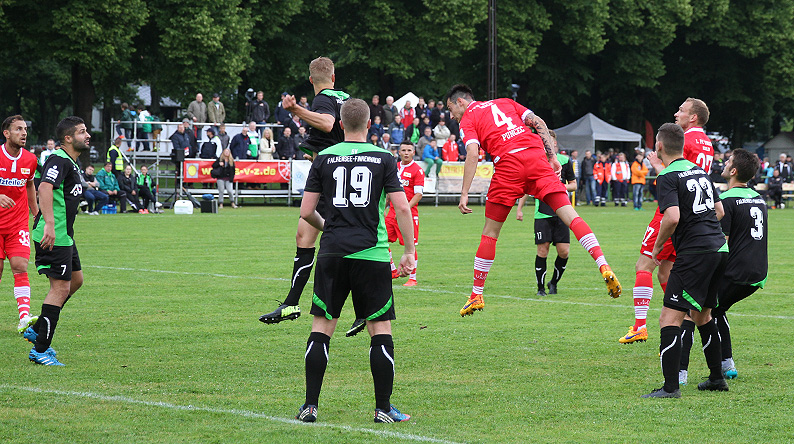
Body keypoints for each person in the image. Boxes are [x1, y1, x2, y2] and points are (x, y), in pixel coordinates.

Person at [446, 84, 621, 317]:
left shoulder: (467, 119)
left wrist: (464, 192)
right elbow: (538, 122)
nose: (451, 116)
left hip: (508, 166)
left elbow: (472, 153)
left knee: (490, 233)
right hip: (536, 157)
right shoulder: (505, 102)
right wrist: (552, 156)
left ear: (461, 101)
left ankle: (476, 294)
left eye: (451, 109)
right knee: (571, 216)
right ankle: (603, 264)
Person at [294, 97, 414, 424]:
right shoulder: (384, 158)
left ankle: (310, 406)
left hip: (332, 252)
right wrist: (409, 251)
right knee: (380, 329)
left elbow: (306, 211)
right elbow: (402, 207)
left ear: (340, 124)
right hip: (371, 254)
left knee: (322, 328)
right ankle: (383, 408)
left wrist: (329, 228)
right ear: (370, 124)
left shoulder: (324, 158)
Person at [259, 56, 351, 326]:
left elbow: (327, 123)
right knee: (306, 234)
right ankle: (291, 303)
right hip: (341, 173)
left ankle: (365, 306)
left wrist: (297, 109)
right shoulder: (345, 98)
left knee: (334, 238)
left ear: (311, 80)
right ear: (333, 77)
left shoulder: (323, 98)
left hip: (329, 178)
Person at [641, 123, 728, 398]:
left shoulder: (667, 175)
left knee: (669, 318)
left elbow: (672, 217)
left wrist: (657, 248)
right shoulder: (700, 170)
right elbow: (719, 211)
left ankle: (670, 388)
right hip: (719, 248)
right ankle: (716, 378)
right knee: (703, 315)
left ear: (659, 146)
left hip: (695, 253)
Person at [619, 98, 715, 344]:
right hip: (695, 214)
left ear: (693, 117)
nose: (676, 114)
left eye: (681, 110)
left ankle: (640, 326)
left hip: (673, 211)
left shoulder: (686, 140)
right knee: (666, 272)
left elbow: (678, 177)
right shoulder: (707, 143)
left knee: (644, 264)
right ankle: (683, 320)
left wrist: (656, 165)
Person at [677, 148, 767, 384]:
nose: (724, 163)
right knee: (717, 309)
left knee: (692, 311)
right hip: (757, 272)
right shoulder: (759, 198)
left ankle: (680, 374)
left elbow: (721, 242)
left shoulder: (726, 201)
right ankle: (727, 365)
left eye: (728, 161)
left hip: (735, 272)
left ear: (734, 171)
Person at [24, 116, 90, 366]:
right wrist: (49, 224)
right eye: (82, 132)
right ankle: (40, 350)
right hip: (53, 236)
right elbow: (44, 187)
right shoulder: (58, 159)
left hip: (65, 236)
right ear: (68, 138)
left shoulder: (71, 162)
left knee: (76, 281)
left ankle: (37, 329)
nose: (87, 135)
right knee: (60, 288)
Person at [516, 137, 577, 296]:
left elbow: (574, 185)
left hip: (562, 212)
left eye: (549, 141)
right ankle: (540, 288)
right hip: (542, 213)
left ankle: (554, 283)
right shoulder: (537, 161)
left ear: (554, 143)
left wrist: (559, 186)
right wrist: (519, 209)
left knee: (564, 252)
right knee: (542, 250)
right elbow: (528, 187)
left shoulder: (565, 161)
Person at [0, 115, 39, 333]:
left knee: (20, 266)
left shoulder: (30, 160)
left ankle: (24, 317)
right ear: (6, 133)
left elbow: (30, 185)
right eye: (18, 129)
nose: (23, 133)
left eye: (25, 129)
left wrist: (36, 212)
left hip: (18, 224)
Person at [386, 140, 423, 287]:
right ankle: (392, 269)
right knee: (380, 239)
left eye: (409, 150)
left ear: (413, 152)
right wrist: (384, 207)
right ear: (399, 152)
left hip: (409, 213)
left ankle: (412, 278)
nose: (406, 153)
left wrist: (404, 209)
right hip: (392, 212)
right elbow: (389, 192)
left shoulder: (417, 170)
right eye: (403, 150)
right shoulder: (394, 167)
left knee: (410, 245)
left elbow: (418, 194)